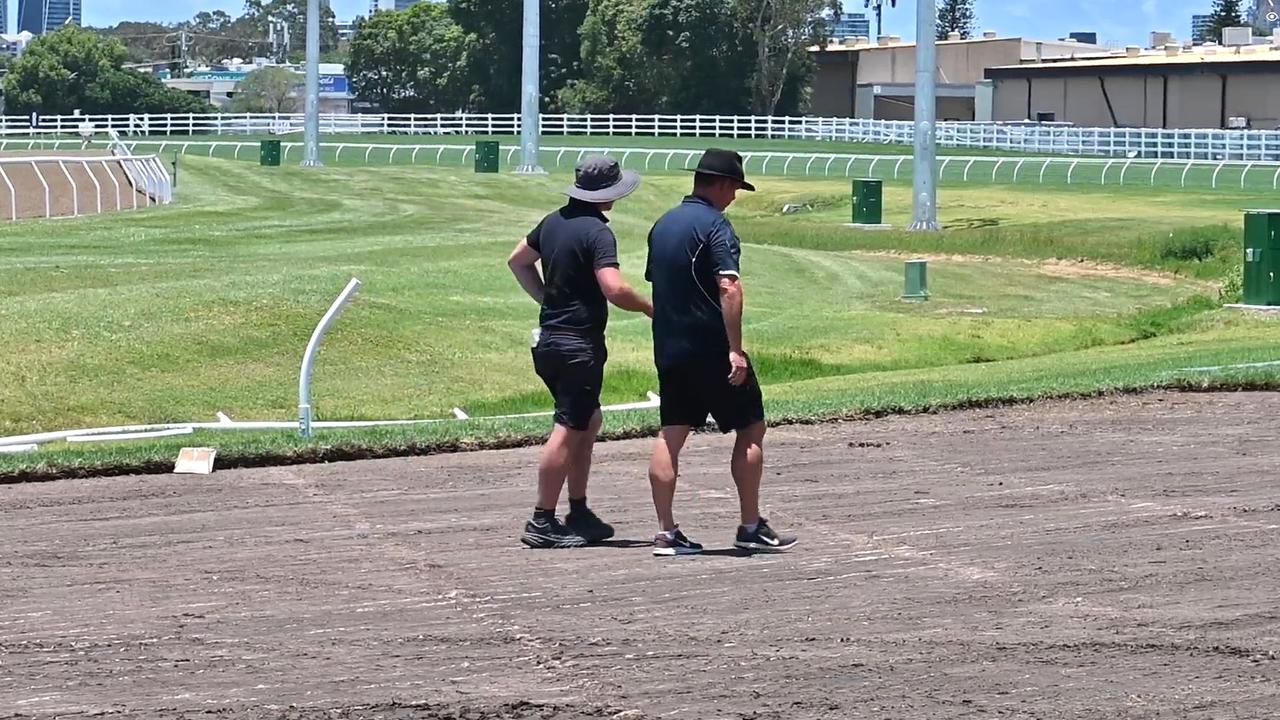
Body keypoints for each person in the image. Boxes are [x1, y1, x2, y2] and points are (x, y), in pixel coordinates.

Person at [643, 148, 798, 557]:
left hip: (670, 346)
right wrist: (735, 350)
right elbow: (728, 286)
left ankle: (666, 532)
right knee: (750, 427)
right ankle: (750, 525)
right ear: (723, 184)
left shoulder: (662, 225)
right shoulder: (717, 227)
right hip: (711, 346)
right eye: (735, 189)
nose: (734, 197)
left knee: (671, 433)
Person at [507, 155, 653, 549]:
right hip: (577, 346)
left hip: (551, 340)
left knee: (587, 422)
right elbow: (614, 288)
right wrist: (650, 308)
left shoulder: (553, 221)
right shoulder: (597, 232)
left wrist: (545, 297)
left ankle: (579, 509)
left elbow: (517, 260)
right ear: (609, 193)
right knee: (569, 428)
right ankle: (542, 520)